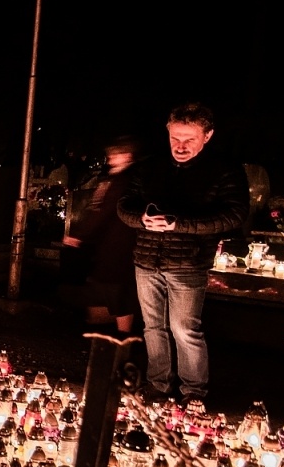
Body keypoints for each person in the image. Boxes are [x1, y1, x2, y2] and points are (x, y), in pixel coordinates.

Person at [118, 103, 249, 402]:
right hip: (146, 259)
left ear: (208, 136)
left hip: (189, 263)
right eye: (175, 137)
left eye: (189, 139)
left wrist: (180, 224)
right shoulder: (150, 167)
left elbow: (234, 214)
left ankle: (193, 394)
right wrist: (141, 219)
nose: (181, 145)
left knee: (185, 329)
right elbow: (124, 206)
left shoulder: (224, 171)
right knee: (153, 327)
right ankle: (158, 385)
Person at [66, 137, 140, 337]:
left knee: (117, 288)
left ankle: (122, 335)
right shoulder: (120, 178)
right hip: (112, 242)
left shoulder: (122, 180)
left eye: (115, 155)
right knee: (109, 285)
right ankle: (108, 330)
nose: (110, 160)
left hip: (118, 241)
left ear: (127, 155)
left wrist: (80, 235)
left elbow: (103, 210)